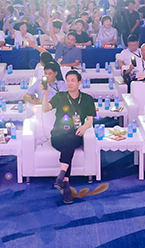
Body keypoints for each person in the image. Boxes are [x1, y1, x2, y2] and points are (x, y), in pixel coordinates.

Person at [41, 69, 95, 204]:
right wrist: (45, 95)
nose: (69, 83)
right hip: (58, 134)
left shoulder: (87, 99)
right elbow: (45, 109)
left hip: (76, 134)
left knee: (70, 140)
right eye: (67, 80)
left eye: (73, 80)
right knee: (68, 144)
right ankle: (65, 182)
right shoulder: (60, 96)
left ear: (79, 82)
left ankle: (62, 177)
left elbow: (90, 120)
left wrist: (83, 127)